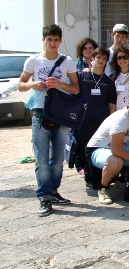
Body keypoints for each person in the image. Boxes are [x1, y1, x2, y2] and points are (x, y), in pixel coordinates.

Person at [18, 24, 80, 216]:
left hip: (60, 113)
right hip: (39, 112)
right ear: (44, 40)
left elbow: (76, 89)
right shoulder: (33, 61)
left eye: (55, 40)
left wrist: (61, 84)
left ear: (60, 41)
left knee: (58, 158)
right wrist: (32, 84)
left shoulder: (67, 61)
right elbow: (20, 85)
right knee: (41, 159)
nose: (52, 43)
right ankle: (44, 196)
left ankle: (53, 190)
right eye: (49, 39)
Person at [86, 91, 129, 205]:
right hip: (97, 148)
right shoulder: (120, 119)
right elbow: (116, 150)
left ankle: (123, 178)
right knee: (116, 161)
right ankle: (103, 189)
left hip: (122, 145)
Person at [75, 47, 117, 186]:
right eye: (98, 57)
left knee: (98, 150)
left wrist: (112, 124)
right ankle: (89, 176)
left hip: (101, 121)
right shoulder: (81, 76)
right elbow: (73, 97)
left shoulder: (108, 82)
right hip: (83, 120)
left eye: (104, 58)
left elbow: (112, 104)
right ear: (92, 58)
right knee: (83, 149)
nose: (101, 60)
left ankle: (99, 177)